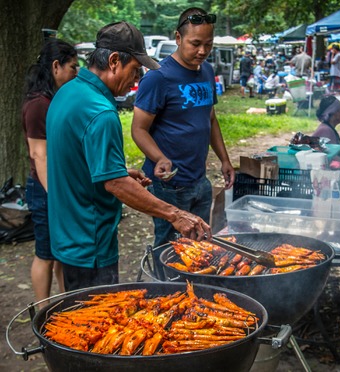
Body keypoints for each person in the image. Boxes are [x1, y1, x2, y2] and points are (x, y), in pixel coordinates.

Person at [46, 21, 211, 291]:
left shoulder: (68, 92)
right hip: (91, 242)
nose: (137, 80)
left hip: (66, 235)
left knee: (75, 312)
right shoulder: (101, 112)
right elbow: (115, 185)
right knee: (95, 324)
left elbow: (78, 161)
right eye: (135, 70)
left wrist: (118, 171)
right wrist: (174, 214)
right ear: (113, 61)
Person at [132, 8, 235, 250]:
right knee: (168, 246)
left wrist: (225, 160)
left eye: (208, 45)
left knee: (199, 243)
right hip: (169, 183)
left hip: (199, 178)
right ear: (178, 38)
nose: (202, 51)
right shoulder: (158, 77)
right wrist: (159, 158)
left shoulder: (207, 71)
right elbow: (138, 129)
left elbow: (210, 119)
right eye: (195, 43)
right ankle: (162, 287)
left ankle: (194, 287)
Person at [21, 39, 78, 306]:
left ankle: (66, 302)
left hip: (55, 188)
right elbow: (38, 154)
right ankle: (43, 310)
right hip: (45, 190)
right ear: (56, 67)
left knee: (60, 254)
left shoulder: (53, 100)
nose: (76, 73)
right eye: (73, 67)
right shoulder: (38, 104)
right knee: (45, 254)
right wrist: (56, 196)